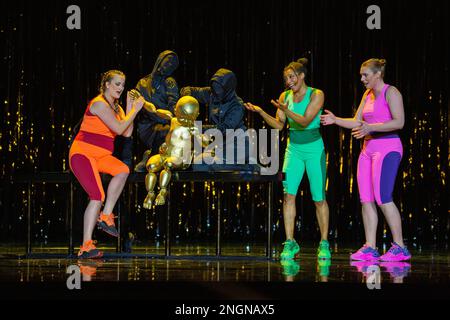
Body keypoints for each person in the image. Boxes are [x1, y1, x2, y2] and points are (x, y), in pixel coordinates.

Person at [320, 58, 411, 262]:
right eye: (361, 75)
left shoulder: (391, 92)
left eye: (365, 75)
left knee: (383, 197)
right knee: (366, 199)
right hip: (367, 150)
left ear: (378, 74)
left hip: (387, 148)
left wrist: (372, 127)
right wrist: (336, 120)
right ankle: (370, 247)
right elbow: (357, 121)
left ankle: (400, 247)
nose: (362, 79)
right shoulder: (367, 94)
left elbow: (399, 121)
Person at [244, 58, 331, 260]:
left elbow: (305, 120)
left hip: (313, 149)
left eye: (292, 77)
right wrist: (261, 112)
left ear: (301, 76)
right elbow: (279, 125)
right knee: (288, 196)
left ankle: (324, 242)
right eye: (286, 78)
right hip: (293, 150)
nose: (288, 81)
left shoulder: (316, 94)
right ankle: (290, 242)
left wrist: (285, 110)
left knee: (318, 198)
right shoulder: (285, 96)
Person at [69, 70, 144, 258]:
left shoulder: (117, 108)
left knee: (122, 170)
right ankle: (86, 245)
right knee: (97, 195)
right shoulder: (98, 104)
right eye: (117, 84)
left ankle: (105, 215)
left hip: (101, 156)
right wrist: (135, 110)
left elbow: (126, 133)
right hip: (82, 154)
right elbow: (119, 128)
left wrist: (129, 107)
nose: (120, 88)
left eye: (123, 84)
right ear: (107, 85)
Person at [180, 68, 253, 169]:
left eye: (220, 89)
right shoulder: (211, 93)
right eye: (214, 88)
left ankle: (247, 166)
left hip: (237, 145)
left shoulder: (237, 105)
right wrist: (187, 99)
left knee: (204, 164)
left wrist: (198, 128)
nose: (216, 91)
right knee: (198, 164)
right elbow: (189, 90)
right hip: (220, 146)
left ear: (228, 88)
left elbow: (225, 129)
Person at [129, 50, 180, 172]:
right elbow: (135, 105)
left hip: (164, 121)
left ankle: (151, 156)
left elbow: (173, 107)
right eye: (167, 63)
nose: (168, 67)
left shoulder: (170, 83)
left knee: (165, 130)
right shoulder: (142, 83)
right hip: (147, 124)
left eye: (172, 67)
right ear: (160, 60)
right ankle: (150, 156)